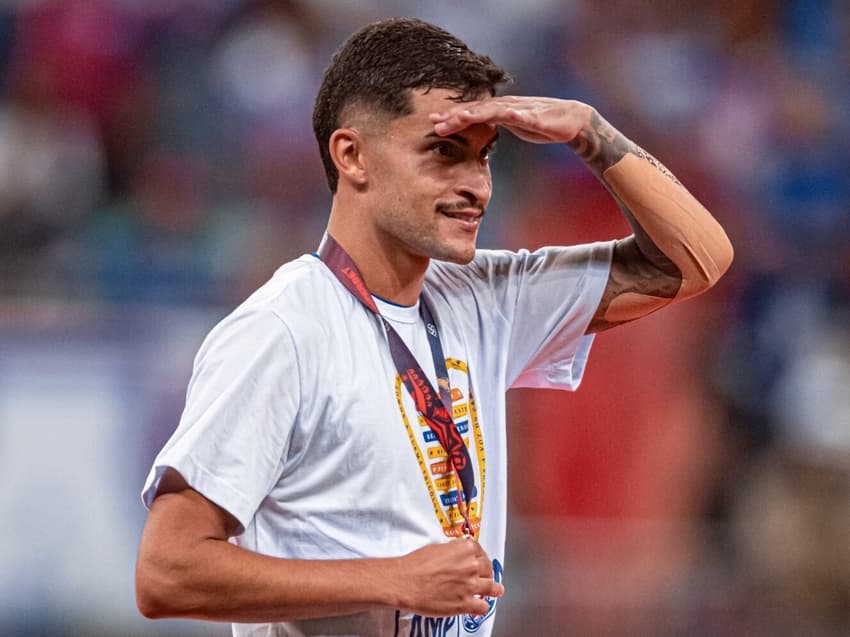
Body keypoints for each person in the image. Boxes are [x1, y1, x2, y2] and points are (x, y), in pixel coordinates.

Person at [135, 17, 733, 637]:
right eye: (443, 152)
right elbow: (167, 571)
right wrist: (394, 579)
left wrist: (592, 132)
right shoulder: (281, 331)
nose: (475, 186)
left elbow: (696, 261)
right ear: (353, 155)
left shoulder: (486, 299)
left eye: (484, 158)